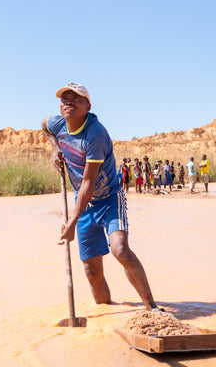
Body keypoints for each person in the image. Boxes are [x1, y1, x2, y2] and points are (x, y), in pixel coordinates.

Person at [41, 82, 161, 310]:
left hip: (109, 199)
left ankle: (152, 308)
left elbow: (89, 181)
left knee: (120, 250)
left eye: (76, 99)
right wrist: (55, 147)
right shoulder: (57, 124)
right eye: (65, 99)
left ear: (88, 105)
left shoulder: (95, 134)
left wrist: (72, 222)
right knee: (90, 269)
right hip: (83, 204)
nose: (69, 102)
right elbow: (44, 125)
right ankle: (106, 310)